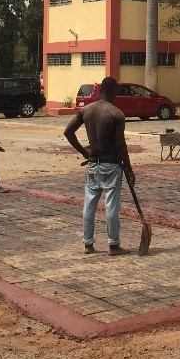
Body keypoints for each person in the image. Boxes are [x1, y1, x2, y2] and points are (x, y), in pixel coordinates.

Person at [63, 77, 134, 256]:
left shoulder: (86, 110)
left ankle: (88, 244)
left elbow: (68, 131)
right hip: (111, 165)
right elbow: (121, 144)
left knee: (89, 205)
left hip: (94, 164)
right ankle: (113, 245)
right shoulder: (116, 114)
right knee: (111, 206)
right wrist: (129, 167)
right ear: (113, 91)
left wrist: (84, 152)